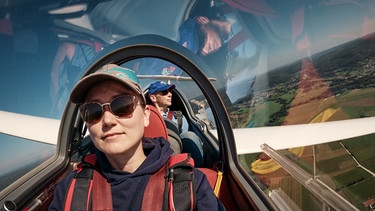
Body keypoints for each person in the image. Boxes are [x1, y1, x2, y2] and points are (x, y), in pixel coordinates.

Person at [48, 64, 224, 210]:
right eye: (93, 111)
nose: (107, 120)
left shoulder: (190, 185)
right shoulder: (70, 189)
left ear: (146, 115)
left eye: (122, 105)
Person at [147, 81, 204, 167]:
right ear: (153, 98)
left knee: (190, 135)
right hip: (152, 154)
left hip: (175, 153)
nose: (170, 94)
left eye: (170, 91)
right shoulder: (144, 116)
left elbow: (185, 139)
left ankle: (197, 172)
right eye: (164, 92)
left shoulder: (178, 117)